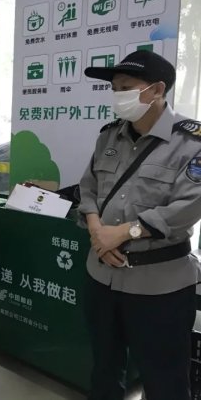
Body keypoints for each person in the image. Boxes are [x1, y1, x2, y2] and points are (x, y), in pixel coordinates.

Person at [79, 50, 201, 400]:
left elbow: (189, 204)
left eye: (126, 88)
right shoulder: (108, 136)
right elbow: (88, 188)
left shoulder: (191, 142)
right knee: (104, 370)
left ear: (157, 90)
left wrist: (124, 232)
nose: (117, 96)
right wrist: (96, 230)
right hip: (101, 276)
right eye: (114, 88)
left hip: (159, 286)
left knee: (164, 380)